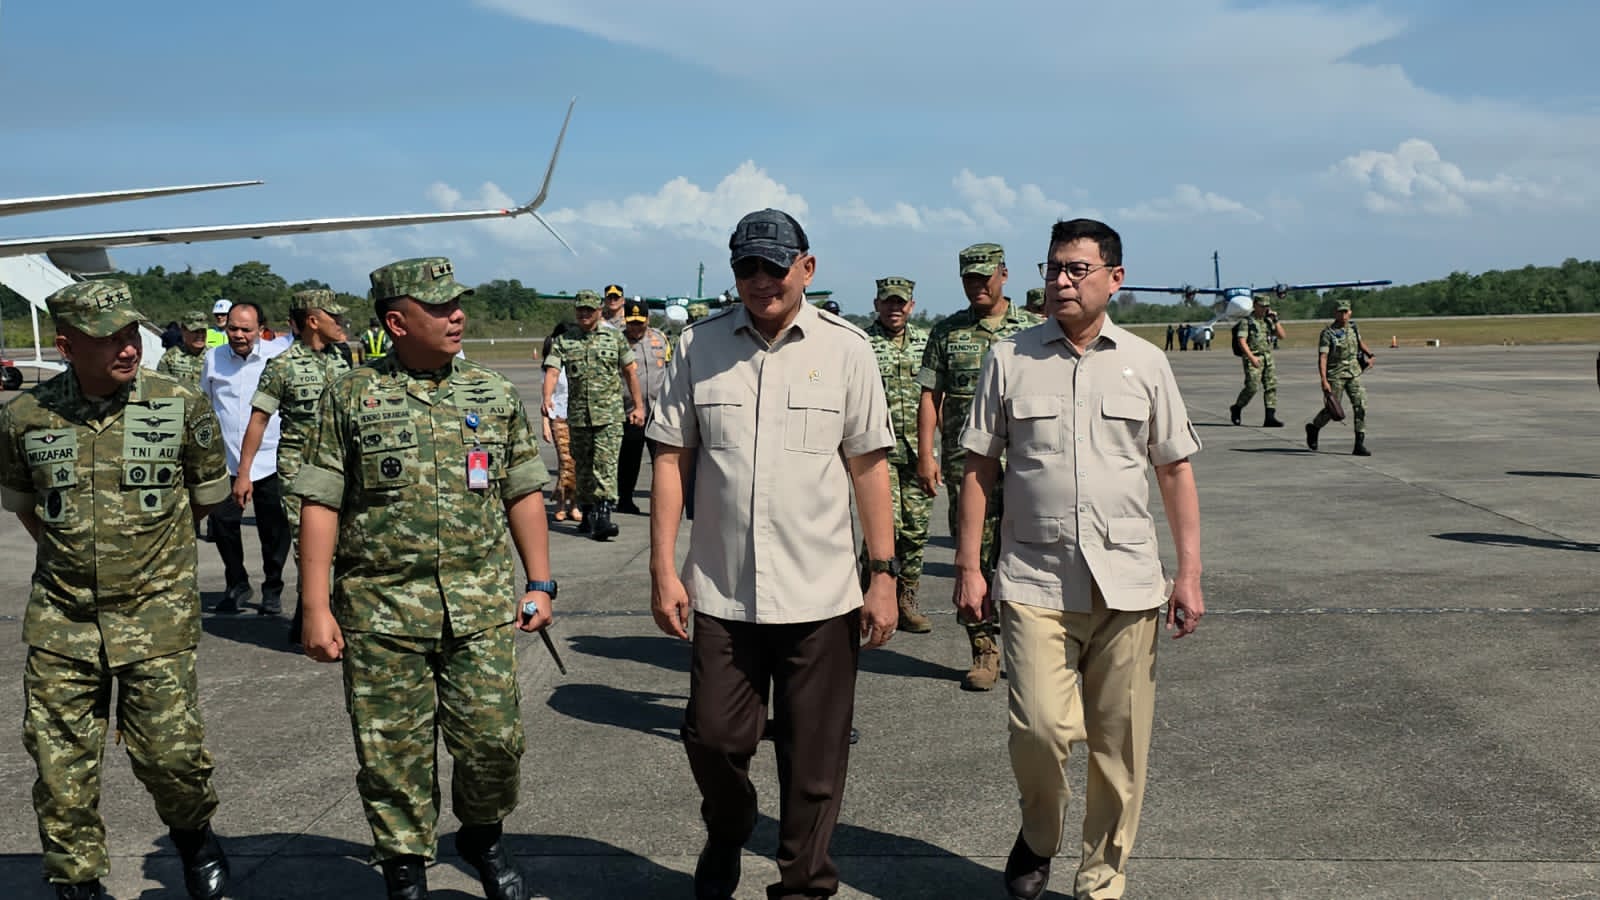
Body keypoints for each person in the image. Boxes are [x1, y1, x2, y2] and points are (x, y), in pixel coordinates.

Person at [647, 208, 896, 900]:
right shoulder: (698, 347)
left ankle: (804, 884)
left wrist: (883, 574)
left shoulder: (847, 349)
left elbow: (870, 467)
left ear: (806, 269)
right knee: (714, 738)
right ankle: (729, 826)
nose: (760, 281)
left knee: (813, 763)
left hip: (821, 593)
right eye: (745, 268)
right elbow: (671, 459)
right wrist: (663, 566)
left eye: (773, 267)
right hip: (724, 591)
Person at [293, 256, 555, 900]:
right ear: (397, 321)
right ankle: (405, 864)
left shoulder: (490, 392)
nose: (456, 315)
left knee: (494, 741)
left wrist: (541, 582)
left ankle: (482, 835)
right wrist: (315, 605)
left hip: (479, 606)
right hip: (380, 611)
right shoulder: (350, 395)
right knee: (391, 755)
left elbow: (522, 490)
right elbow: (321, 501)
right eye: (439, 307)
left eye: (456, 303)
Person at [956, 218, 1203, 900]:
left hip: (1127, 582)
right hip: (1036, 577)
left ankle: (1101, 879)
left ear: (1113, 280)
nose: (1060, 281)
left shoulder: (1146, 362)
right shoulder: (1010, 358)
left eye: (1076, 270)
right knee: (1039, 728)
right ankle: (1040, 831)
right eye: (1053, 268)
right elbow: (979, 467)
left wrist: (1187, 573)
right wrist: (972, 568)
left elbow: (1175, 472)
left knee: (1119, 752)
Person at [0, 280, 233, 900]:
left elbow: (205, 500)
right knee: (60, 769)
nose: (129, 349)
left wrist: (143, 559)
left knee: (172, 758)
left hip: (154, 617)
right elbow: (28, 506)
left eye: (133, 334)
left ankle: (194, 835)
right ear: (67, 344)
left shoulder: (180, 403)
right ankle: (77, 881)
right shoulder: (24, 415)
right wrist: (76, 551)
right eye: (110, 340)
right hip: (62, 619)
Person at [916, 242, 1039, 691]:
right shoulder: (947, 332)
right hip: (966, 469)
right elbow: (930, 396)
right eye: (969, 278)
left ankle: (1029, 646)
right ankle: (983, 649)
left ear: (1003, 275)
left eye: (984, 277)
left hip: (1028, 465)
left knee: (1027, 555)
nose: (977, 285)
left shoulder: (1033, 329)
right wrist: (925, 453)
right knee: (975, 558)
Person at [235, 289, 350, 639]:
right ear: (313, 322)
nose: (341, 323)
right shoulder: (282, 367)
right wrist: (244, 473)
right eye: (334, 317)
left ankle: (314, 620)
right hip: (299, 469)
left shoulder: (341, 362)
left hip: (340, 467)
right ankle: (312, 626)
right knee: (309, 549)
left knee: (341, 547)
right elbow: (258, 420)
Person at [200, 301, 290, 614]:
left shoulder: (276, 358)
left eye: (245, 329)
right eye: (232, 328)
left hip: (269, 460)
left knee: (273, 529)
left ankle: (273, 587)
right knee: (223, 525)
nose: (238, 335)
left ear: (260, 330)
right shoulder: (213, 359)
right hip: (226, 460)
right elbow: (205, 405)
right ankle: (236, 583)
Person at [541, 289, 644, 541]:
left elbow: (630, 372)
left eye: (589, 309)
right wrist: (547, 398)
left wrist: (639, 407)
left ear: (599, 311)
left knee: (605, 466)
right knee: (583, 467)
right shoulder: (565, 341)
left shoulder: (615, 339)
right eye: (580, 310)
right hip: (577, 417)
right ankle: (587, 514)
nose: (584, 314)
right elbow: (553, 371)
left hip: (608, 416)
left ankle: (604, 516)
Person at [865, 275, 934, 632]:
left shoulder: (926, 342)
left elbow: (938, 394)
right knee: (885, 525)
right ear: (877, 304)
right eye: (888, 302)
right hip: (878, 451)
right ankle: (873, 590)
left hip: (919, 450)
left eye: (901, 302)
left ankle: (906, 596)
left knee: (916, 530)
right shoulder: (862, 342)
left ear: (911, 306)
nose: (895, 308)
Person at [618, 299, 670, 515]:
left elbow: (669, 368)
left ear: (648, 320)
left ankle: (664, 501)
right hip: (630, 409)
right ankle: (625, 499)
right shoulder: (618, 341)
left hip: (658, 409)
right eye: (632, 322)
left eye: (640, 322)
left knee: (662, 459)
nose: (636, 327)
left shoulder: (659, 338)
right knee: (630, 458)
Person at [1305, 299, 1375, 456]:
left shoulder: (1353, 328)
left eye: (1346, 312)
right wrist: (1323, 380)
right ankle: (1314, 427)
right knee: (1333, 411)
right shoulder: (1328, 334)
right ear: (1335, 313)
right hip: (1335, 375)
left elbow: (1359, 343)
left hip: (1353, 373)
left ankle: (1359, 444)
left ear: (1350, 312)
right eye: (1340, 312)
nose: (1343, 315)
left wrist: (1370, 354)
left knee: (1361, 405)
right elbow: (1323, 357)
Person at [540, 323, 580, 523]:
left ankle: (573, 504)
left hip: (579, 418)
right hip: (559, 417)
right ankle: (561, 505)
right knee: (566, 463)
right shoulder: (553, 365)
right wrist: (545, 423)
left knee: (577, 464)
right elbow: (547, 395)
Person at [1229, 296, 1287, 427]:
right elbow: (1241, 341)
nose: (1264, 309)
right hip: (1253, 357)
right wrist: (1251, 357)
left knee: (1271, 387)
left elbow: (1282, 336)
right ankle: (1237, 408)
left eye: (1266, 306)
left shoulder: (1268, 321)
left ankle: (1270, 417)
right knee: (1252, 387)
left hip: (1267, 357)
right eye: (1262, 306)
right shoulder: (1247, 322)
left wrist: (1276, 320)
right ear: (1255, 305)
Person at [157, 311, 211, 386]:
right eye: (195, 331)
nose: (200, 335)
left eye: (203, 331)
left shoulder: (216, 357)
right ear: (183, 330)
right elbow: (161, 386)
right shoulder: (170, 357)